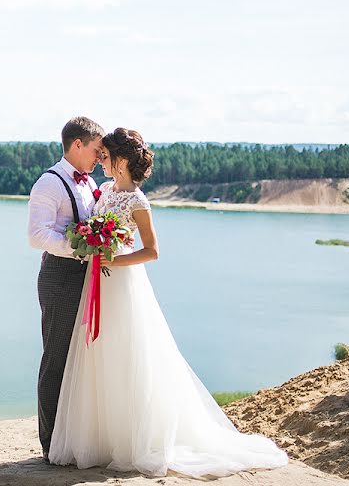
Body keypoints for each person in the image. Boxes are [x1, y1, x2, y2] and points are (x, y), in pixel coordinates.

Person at [47, 128, 289, 478]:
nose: (101, 160)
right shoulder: (108, 191)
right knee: (100, 357)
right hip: (98, 282)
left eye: (107, 155)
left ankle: (132, 441)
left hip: (123, 285)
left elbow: (152, 251)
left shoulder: (136, 201)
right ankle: (101, 440)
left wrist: (112, 260)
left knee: (127, 355)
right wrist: (93, 248)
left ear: (123, 161)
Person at [27, 116, 105, 463]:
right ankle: (50, 444)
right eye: (95, 149)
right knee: (56, 359)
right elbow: (37, 235)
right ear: (77, 145)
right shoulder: (50, 183)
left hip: (84, 279)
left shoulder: (88, 184)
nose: (98, 156)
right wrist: (81, 249)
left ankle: (73, 437)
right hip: (59, 278)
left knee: (81, 361)